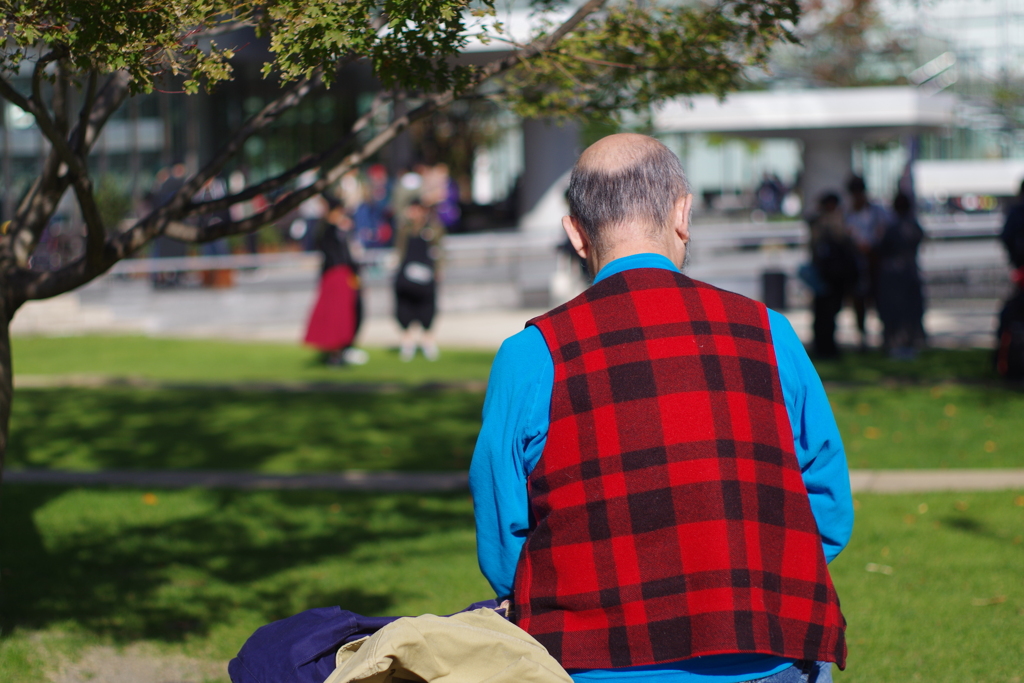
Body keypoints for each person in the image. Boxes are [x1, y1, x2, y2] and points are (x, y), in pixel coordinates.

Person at [470, 134, 852, 683]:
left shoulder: (530, 354)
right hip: (767, 650)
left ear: (576, 235)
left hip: (592, 660)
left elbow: (504, 540)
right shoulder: (770, 333)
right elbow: (830, 506)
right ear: (682, 213)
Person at [303, 200, 368, 366]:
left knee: (342, 315)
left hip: (340, 275)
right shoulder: (330, 231)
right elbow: (338, 255)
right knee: (336, 316)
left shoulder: (334, 231)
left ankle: (339, 351)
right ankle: (335, 353)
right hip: (337, 276)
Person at [807, 192, 859, 359]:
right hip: (825, 276)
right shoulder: (825, 223)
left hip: (835, 277)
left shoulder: (835, 222)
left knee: (829, 313)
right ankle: (824, 347)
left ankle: (827, 347)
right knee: (823, 313)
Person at [875, 192, 925, 358]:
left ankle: (896, 346)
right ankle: (910, 344)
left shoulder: (891, 228)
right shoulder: (915, 226)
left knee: (894, 313)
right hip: (910, 273)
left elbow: (881, 249)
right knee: (910, 313)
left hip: (893, 277)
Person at [393, 199, 443, 361]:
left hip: (426, 276)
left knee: (427, 310)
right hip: (406, 276)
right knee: (405, 309)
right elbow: (399, 251)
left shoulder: (433, 228)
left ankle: (428, 342)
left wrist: (438, 270)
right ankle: (407, 343)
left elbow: (439, 250)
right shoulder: (404, 229)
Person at [844, 176, 887, 349]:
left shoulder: (876, 212)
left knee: (878, 299)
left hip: (875, 262)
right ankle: (862, 335)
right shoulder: (848, 214)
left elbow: (882, 231)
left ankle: (884, 333)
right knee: (858, 300)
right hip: (856, 265)